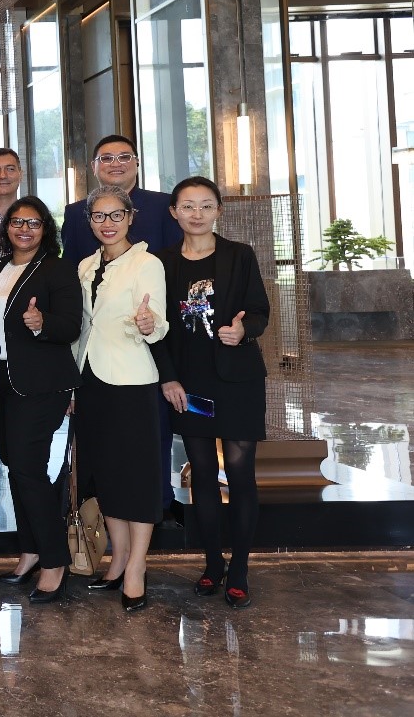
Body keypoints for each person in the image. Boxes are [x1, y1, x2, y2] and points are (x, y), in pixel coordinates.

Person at [153, 176, 270, 609]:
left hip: (237, 381)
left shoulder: (239, 255)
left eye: (206, 205)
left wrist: (243, 330)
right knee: (201, 474)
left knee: (239, 474)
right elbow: (158, 329)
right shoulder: (162, 263)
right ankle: (212, 563)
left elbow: (259, 311)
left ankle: (239, 569)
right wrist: (169, 378)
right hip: (191, 385)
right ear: (174, 213)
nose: (197, 214)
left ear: (219, 210)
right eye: (188, 206)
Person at [61, 135, 183, 524]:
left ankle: (157, 505)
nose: (116, 163)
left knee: (146, 445)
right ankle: (104, 522)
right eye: (106, 158)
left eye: (124, 156)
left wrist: (154, 324)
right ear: (94, 166)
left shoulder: (162, 207)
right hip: (92, 364)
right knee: (102, 455)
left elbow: (167, 284)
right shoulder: (76, 219)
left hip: (143, 348)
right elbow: (75, 293)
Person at [72, 185, 169, 612]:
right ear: (90, 221)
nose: (107, 223)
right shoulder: (85, 266)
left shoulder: (147, 263)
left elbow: (158, 321)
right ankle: (118, 559)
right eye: (99, 216)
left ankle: (136, 568)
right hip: (90, 380)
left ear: (130, 217)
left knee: (138, 477)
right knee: (106, 474)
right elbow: (82, 328)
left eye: (116, 215)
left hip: (131, 381)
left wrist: (149, 324)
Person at [0, 197, 82, 604]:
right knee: (15, 467)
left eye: (34, 223)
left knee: (28, 470)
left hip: (41, 384)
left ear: (46, 229)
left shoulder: (58, 269)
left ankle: (55, 561)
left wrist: (42, 324)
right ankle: (30, 552)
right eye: (17, 222)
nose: (24, 229)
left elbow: (71, 326)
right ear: (6, 227)